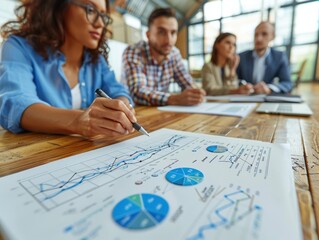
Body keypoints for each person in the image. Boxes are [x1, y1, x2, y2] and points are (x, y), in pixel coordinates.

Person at [0, 0, 137, 139]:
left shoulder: (97, 60)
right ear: (58, 6)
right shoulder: (18, 47)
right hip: (37, 155)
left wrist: (123, 107)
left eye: (104, 16)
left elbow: (119, 91)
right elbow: (15, 104)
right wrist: (78, 121)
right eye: (90, 10)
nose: (100, 24)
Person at [121, 8, 206, 106]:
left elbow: (188, 84)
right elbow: (137, 92)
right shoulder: (133, 52)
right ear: (148, 35)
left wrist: (196, 94)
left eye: (173, 33)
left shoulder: (174, 53)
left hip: (161, 111)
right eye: (161, 32)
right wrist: (175, 99)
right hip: (134, 112)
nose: (169, 40)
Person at [236, 21, 292, 94]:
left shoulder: (279, 57)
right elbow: (235, 80)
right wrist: (242, 86)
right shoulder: (241, 57)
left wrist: (269, 89)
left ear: (272, 37)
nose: (258, 39)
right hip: (245, 97)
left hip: (266, 99)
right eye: (256, 34)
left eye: (264, 34)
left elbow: (287, 83)